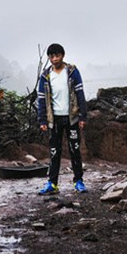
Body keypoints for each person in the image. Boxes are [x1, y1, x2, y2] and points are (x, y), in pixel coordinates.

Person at [36, 43, 88, 195]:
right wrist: (43, 120)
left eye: (57, 55)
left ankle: (78, 181)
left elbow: (80, 93)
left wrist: (82, 116)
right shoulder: (46, 76)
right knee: (54, 151)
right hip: (54, 119)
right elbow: (41, 99)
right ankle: (52, 183)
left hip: (71, 117)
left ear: (63, 55)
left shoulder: (72, 72)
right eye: (51, 56)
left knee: (75, 149)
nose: (54, 59)